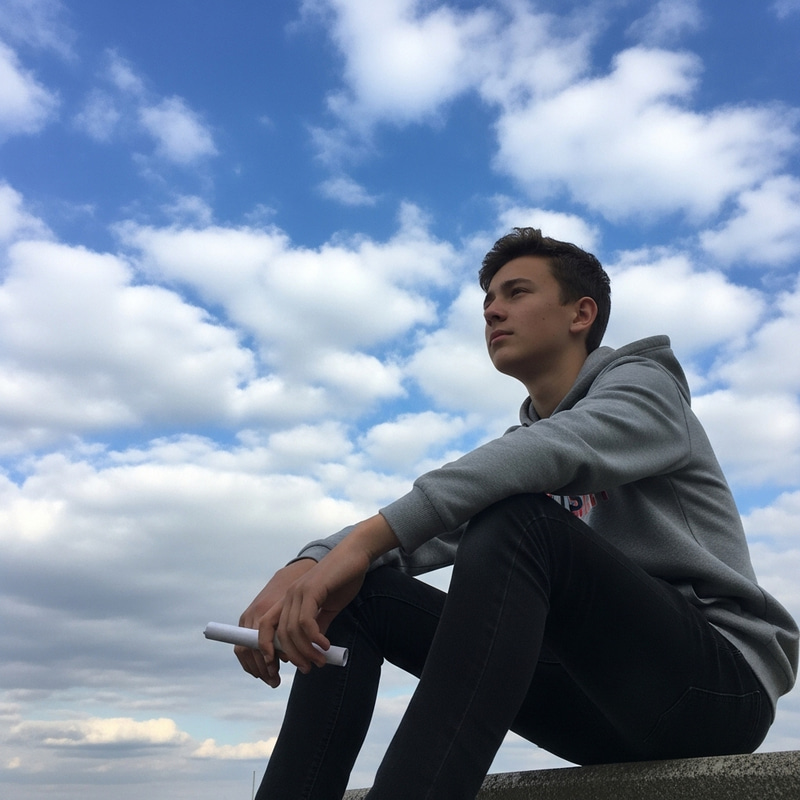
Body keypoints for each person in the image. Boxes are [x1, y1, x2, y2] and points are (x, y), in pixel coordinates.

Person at [235, 228, 798, 800]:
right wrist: (305, 567)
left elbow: (555, 451)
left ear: (581, 313)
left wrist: (358, 543)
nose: (494, 312)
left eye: (517, 293)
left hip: (717, 692)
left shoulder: (648, 392)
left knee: (515, 520)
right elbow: (429, 525)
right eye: (487, 302)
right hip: (597, 707)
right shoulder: (519, 455)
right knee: (364, 593)